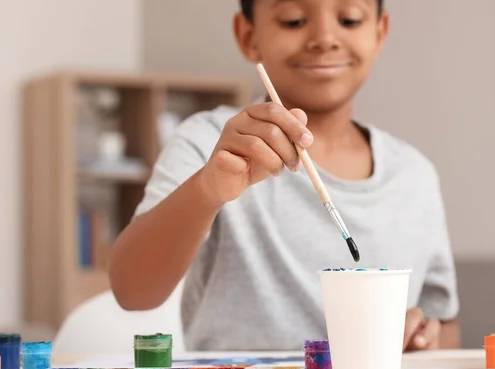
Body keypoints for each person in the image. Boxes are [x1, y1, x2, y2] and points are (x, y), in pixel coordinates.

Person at [109, 0, 460, 351]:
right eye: (294, 20)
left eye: (349, 19)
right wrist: (207, 189)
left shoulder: (415, 175)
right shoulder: (209, 145)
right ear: (249, 37)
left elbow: (444, 327)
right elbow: (132, 291)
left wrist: (423, 340)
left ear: (379, 33)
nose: (324, 38)